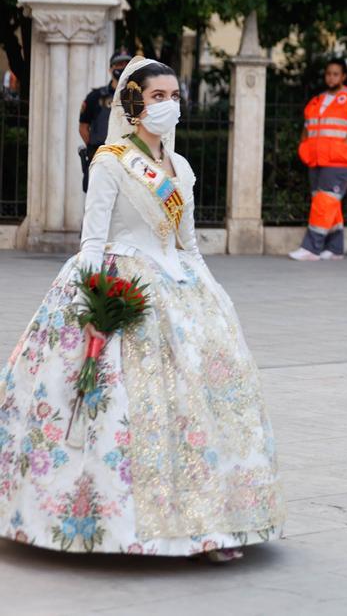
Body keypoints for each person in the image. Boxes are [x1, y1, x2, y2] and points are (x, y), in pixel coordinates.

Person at [0, 57, 285, 561]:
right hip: (123, 283)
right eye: (158, 97)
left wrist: (213, 292)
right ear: (133, 104)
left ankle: (213, 525)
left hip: (181, 289)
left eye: (175, 96)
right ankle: (107, 522)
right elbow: (93, 241)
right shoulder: (110, 160)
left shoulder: (183, 168)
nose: (169, 105)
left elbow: (188, 244)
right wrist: (91, 304)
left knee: (203, 403)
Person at [289, 59, 347, 261]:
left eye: (335, 74)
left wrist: (344, 145)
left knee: (324, 201)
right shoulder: (318, 100)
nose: (331, 77)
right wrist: (303, 146)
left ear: (343, 77)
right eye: (328, 74)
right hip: (316, 159)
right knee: (326, 202)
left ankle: (311, 248)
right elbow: (308, 127)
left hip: (339, 160)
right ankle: (335, 248)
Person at [78, 51, 132, 192]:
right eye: (119, 64)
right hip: (101, 157)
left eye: (127, 64)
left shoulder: (138, 97)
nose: (123, 67)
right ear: (110, 69)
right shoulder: (95, 97)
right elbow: (83, 127)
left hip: (129, 159)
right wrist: (95, 150)